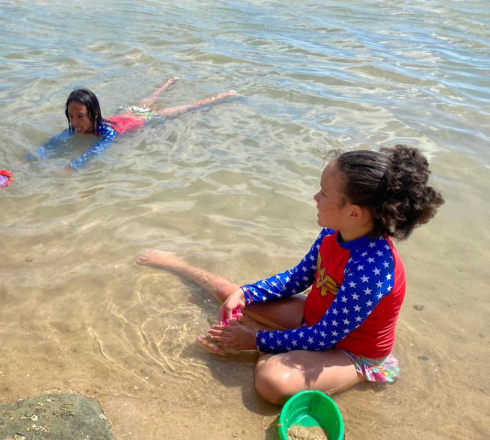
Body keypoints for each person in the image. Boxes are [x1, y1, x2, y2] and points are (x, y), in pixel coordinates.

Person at [137, 145, 444, 405]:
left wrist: (254, 341)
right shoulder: (332, 233)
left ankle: (272, 346)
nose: (315, 198)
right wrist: (245, 295)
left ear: (354, 212)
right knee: (231, 292)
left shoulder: (373, 270)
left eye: (324, 194)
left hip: (350, 351)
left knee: (271, 382)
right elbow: (296, 279)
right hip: (314, 318)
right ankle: (180, 265)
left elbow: (326, 336)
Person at [29, 77, 237, 169]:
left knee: (188, 107)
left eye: (80, 116)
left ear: (94, 114)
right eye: (71, 116)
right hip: (128, 112)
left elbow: (94, 152)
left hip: (144, 118)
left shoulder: (107, 132)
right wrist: (33, 156)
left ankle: (224, 95)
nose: (75, 121)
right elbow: (53, 142)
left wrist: (72, 167)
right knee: (149, 97)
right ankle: (168, 82)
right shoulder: (75, 127)